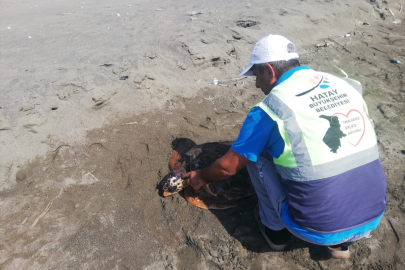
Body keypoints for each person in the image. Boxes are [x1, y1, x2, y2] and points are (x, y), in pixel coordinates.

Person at [183, 34, 386, 259]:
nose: (256, 83)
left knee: (254, 155)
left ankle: (275, 232)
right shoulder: (346, 85)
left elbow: (228, 168)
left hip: (315, 226)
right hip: (373, 214)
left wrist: (202, 176)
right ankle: (344, 239)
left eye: (256, 75)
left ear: (269, 70)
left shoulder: (272, 107)